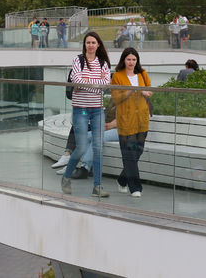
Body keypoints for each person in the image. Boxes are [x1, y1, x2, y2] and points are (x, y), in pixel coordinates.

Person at [62, 31, 111, 198]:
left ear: (98, 45)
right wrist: (93, 84)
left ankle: (97, 186)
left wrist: (86, 83)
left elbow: (105, 84)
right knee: (82, 146)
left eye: (93, 42)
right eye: (88, 42)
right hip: (81, 109)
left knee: (97, 148)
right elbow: (76, 79)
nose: (90, 45)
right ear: (85, 45)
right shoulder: (78, 60)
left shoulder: (103, 63)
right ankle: (66, 176)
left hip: (98, 109)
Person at [111, 47, 152, 197]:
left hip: (141, 119)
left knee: (137, 152)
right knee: (129, 154)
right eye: (128, 59)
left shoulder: (142, 73)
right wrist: (130, 90)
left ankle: (122, 180)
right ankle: (135, 188)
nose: (131, 62)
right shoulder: (117, 76)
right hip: (126, 121)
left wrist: (146, 92)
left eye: (134, 59)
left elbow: (149, 89)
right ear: (124, 60)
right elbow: (116, 97)